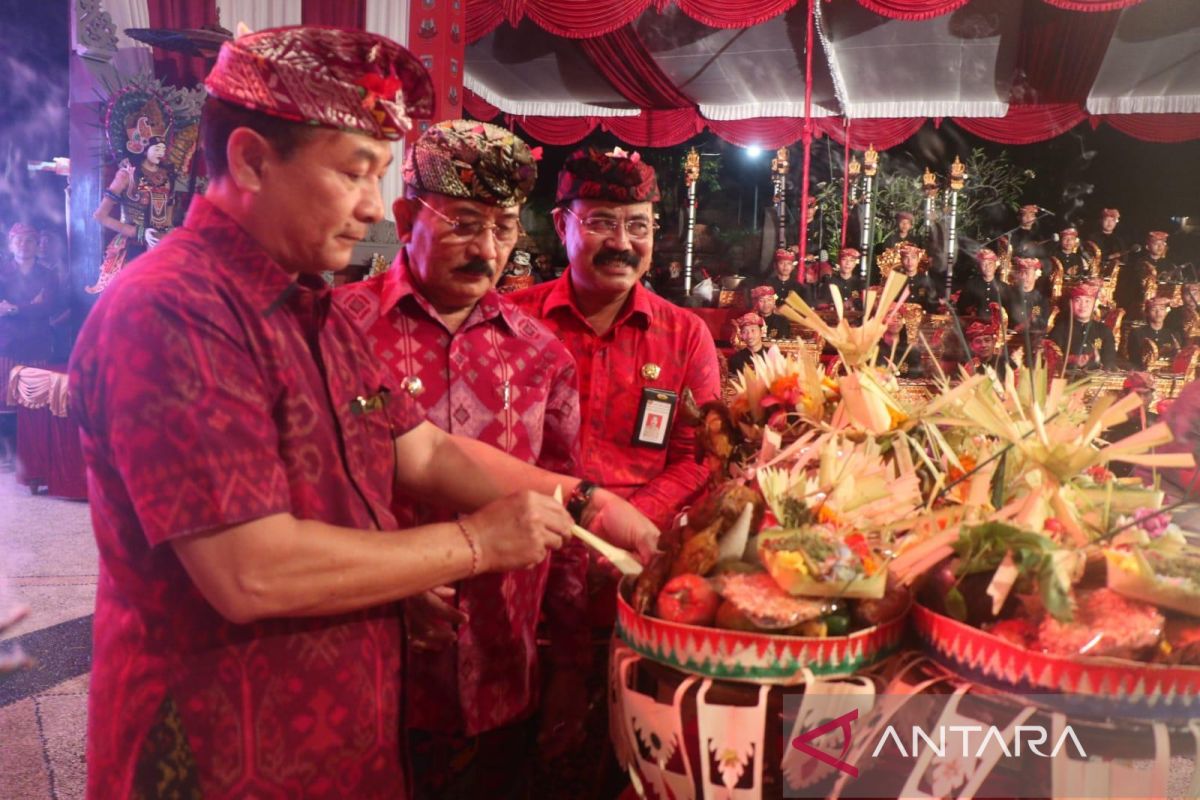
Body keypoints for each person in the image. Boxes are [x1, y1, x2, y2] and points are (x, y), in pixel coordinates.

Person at [68, 28, 653, 800]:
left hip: (344, 740)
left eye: (379, 176)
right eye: (353, 173)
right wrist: (475, 543)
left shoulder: (314, 307)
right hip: (220, 751)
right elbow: (250, 571)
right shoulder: (173, 308)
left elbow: (424, 453)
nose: (371, 209)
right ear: (249, 160)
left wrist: (586, 502)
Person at [336, 119, 592, 799]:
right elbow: (300, 494)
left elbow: (568, 514)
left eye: (505, 228)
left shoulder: (542, 354)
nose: (487, 250)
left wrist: (568, 661)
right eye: (464, 223)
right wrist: (389, 576)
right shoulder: (335, 330)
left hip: (503, 666)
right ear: (404, 216)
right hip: (367, 666)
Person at [508, 145, 720, 799]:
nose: (621, 242)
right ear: (562, 222)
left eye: (638, 225)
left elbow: (699, 457)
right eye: (602, 221)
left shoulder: (684, 335)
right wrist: (579, 516)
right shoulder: (513, 321)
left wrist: (628, 522)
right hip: (523, 566)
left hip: (630, 580)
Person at [89, 87, 186, 294]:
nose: (161, 151)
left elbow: (166, 216)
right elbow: (100, 216)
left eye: (163, 147)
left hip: (161, 246)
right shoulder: (127, 175)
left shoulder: (166, 176)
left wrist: (171, 232)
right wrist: (139, 232)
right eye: (156, 146)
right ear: (141, 146)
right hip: (133, 245)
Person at [0, 222, 59, 364]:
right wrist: (31, 305)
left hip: (36, 346)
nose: (23, 245)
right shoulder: (1, 272)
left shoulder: (49, 275)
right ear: (10, 246)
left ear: (38, 246)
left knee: (36, 386)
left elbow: (47, 308)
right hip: (6, 345)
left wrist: (14, 308)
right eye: (18, 240)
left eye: (29, 240)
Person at [1047, 280, 1116, 370]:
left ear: (1094, 304)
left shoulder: (1104, 331)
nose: (1083, 305)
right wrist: (1071, 359)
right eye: (1078, 301)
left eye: (1087, 301)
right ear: (1071, 304)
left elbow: (1109, 361)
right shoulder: (1060, 329)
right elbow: (1050, 358)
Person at [1116, 231, 1174, 324]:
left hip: (1162, 307)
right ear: (1147, 246)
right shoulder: (1137, 264)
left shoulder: (1170, 266)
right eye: (1156, 244)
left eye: (1162, 244)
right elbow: (1128, 287)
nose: (1160, 247)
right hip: (1140, 304)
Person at [1125, 295, 1182, 368]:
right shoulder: (1137, 333)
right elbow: (1134, 358)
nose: (1158, 313)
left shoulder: (1173, 334)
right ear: (1147, 312)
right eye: (1153, 309)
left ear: (1166, 312)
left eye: (1162, 309)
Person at [956, 248, 1004, 319]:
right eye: (984, 264)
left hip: (997, 326)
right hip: (975, 325)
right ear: (979, 266)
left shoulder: (1004, 287)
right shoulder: (971, 284)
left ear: (995, 265)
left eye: (990, 263)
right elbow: (961, 307)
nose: (987, 267)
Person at [895, 242, 940, 313]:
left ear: (918, 259)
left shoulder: (925, 279)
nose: (910, 261)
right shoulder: (896, 280)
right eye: (906, 258)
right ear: (901, 260)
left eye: (913, 257)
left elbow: (933, 304)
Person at [1089, 208, 1127, 278]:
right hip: (1098, 273)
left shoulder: (1119, 240)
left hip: (1117, 274)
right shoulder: (1093, 238)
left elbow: (1124, 258)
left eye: (1112, 220)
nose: (1109, 223)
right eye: (1107, 220)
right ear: (1101, 221)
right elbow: (1091, 256)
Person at [1165, 273, 1200, 344]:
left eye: (1195, 292)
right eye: (1187, 293)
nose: (1191, 296)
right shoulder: (1173, 314)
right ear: (1182, 295)